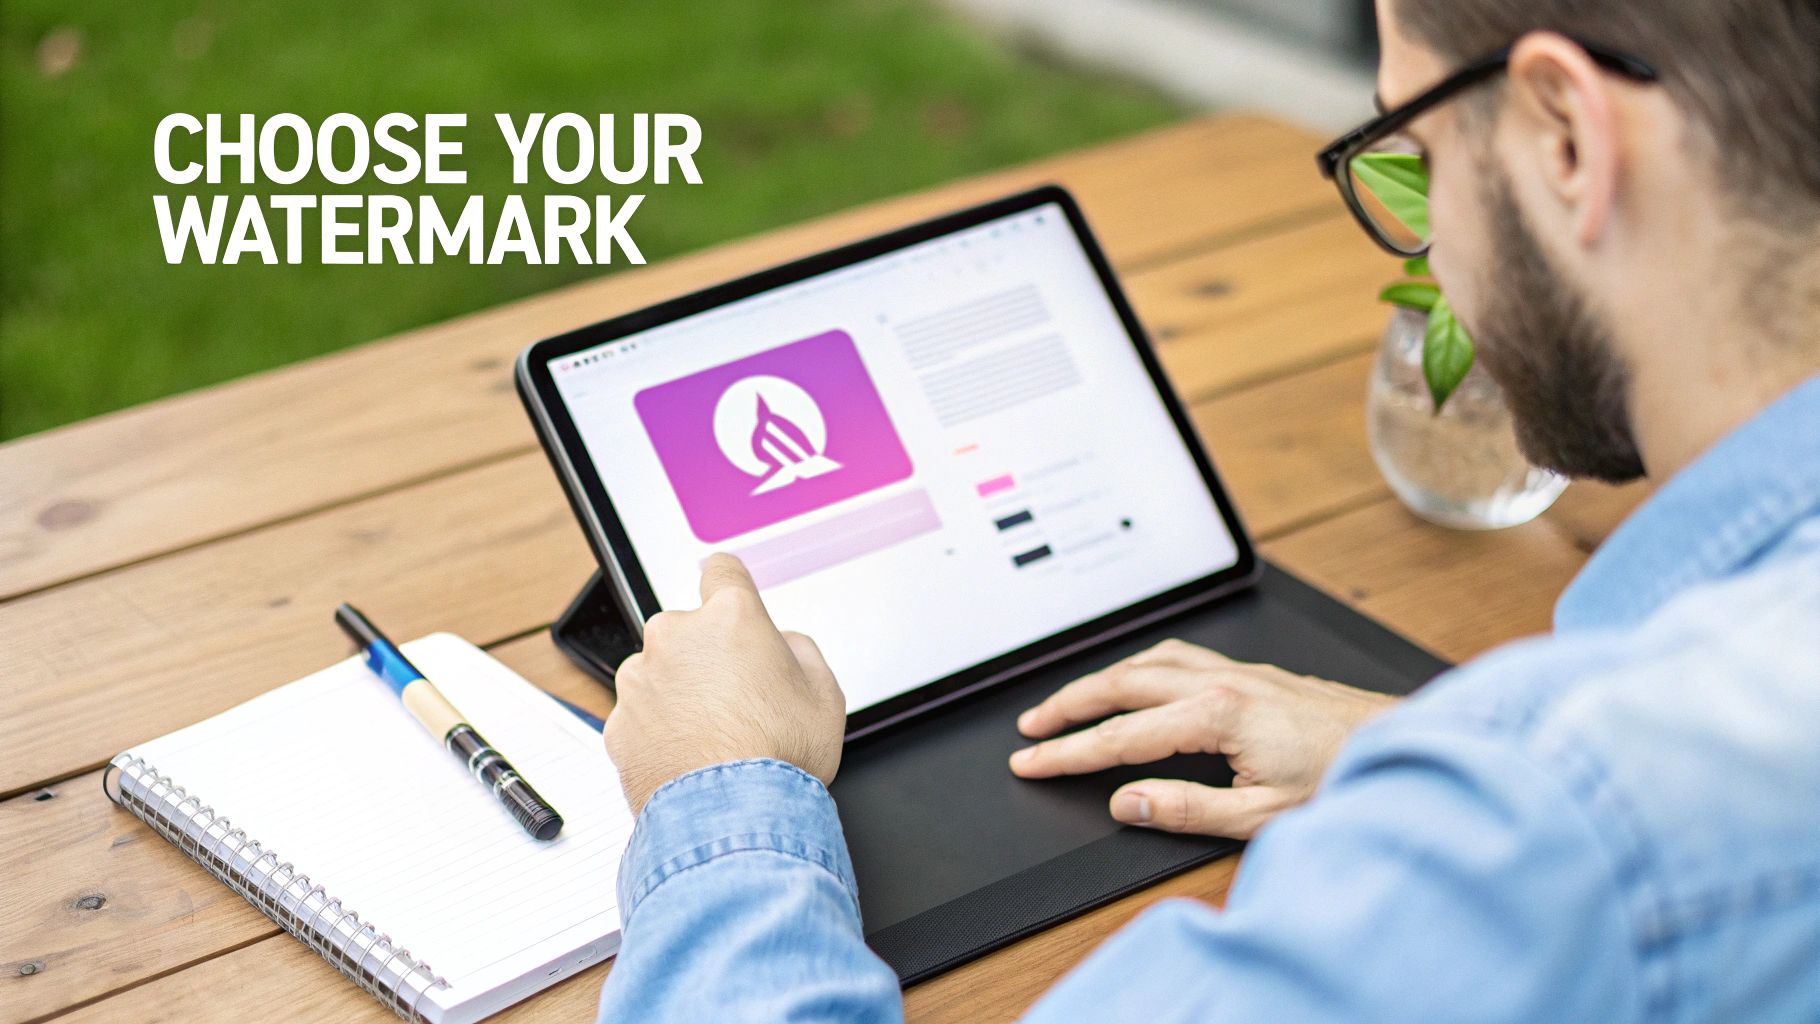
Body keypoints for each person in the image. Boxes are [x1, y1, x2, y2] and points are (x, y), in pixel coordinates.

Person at [594, 0, 1820, 1018]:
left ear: (1564, 135)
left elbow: (1601, 828)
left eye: (1417, 151)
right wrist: (1405, 741)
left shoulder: (1552, 830)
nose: (1421, 242)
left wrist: (722, 791)